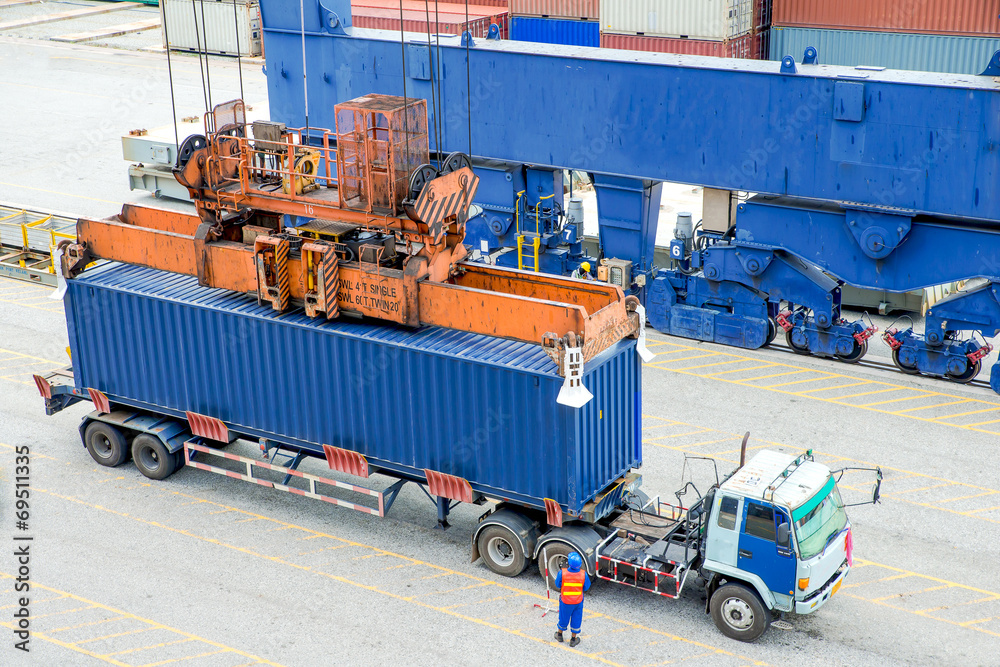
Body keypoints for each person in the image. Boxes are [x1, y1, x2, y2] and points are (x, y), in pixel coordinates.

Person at [554, 552, 591, 647]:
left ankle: (559, 635)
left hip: (565, 601)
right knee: (576, 619)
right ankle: (573, 639)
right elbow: (586, 587)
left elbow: (557, 584)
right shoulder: (583, 574)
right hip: (578, 602)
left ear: (569, 563)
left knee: (563, 617)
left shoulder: (562, 573)